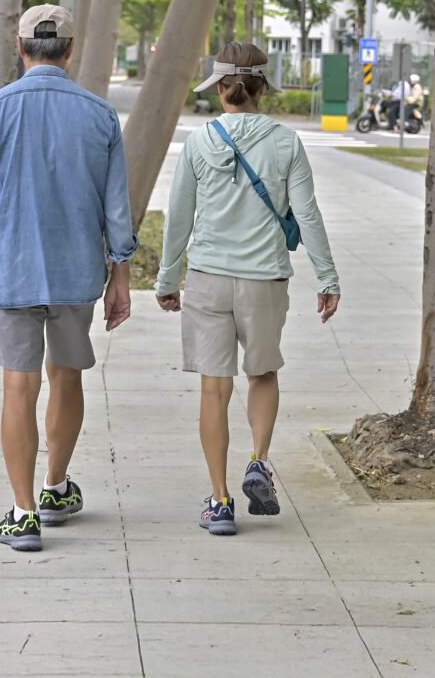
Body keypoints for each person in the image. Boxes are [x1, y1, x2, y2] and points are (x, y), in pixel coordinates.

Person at [0, 4, 137, 554]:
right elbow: (117, 208)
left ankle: (23, 511)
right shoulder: (100, 115)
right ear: (71, 49)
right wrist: (119, 275)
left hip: (13, 269)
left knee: (18, 383)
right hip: (77, 270)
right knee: (68, 377)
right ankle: (56, 487)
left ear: (20, 45)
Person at [155, 42, 340, 537]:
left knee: (215, 389)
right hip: (266, 280)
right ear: (263, 88)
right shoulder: (286, 141)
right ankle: (259, 460)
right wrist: (327, 277)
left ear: (221, 88)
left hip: (209, 278)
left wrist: (168, 279)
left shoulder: (199, 142)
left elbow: (179, 218)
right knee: (262, 373)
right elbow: (308, 215)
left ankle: (219, 502)